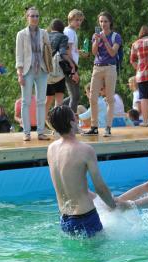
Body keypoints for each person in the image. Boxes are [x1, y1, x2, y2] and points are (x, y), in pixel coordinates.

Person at [47, 105, 118, 237]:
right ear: (71, 123)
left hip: (64, 219)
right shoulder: (85, 150)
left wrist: (96, 199)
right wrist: (113, 206)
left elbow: (71, 184)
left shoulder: (51, 149)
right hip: (86, 218)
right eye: (75, 118)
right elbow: (100, 187)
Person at [83, 11, 121, 137]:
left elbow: (112, 53)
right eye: (101, 21)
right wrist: (96, 40)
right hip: (97, 67)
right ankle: (94, 127)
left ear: (110, 22)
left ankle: (108, 127)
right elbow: (94, 52)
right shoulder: (96, 35)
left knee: (109, 99)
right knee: (92, 97)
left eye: (105, 21)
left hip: (110, 68)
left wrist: (105, 40)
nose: (103, 24)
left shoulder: (116, 36)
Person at [15, 6, 50, 141]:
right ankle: (27, 132)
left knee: (41, 101)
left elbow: (48, 52)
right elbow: (19, 56)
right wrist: (20, 73)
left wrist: (49, 68)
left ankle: (40, 132)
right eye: (32, 16)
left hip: (42, 70)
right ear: (27, 17)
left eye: (37, 16)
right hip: (27, 71)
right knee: (26, 102)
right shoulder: (21, 34)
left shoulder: (44, 33)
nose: (35, 18)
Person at [45, 19, 76, 123]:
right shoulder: (63, 37)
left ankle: (42, 124)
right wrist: (72, 64)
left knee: (47, 100)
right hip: (58, 73)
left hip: (46, 72)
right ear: (62, 28)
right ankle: (56, 124)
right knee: (59, 101)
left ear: (51, 28)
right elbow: (63, 53)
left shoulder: (45, 36)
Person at [63, 9, 84, 113]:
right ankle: (70, 122)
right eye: (77, 20)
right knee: (75, 97)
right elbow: (68, 53)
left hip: (70, 66)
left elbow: (71, 50)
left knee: (75, 96)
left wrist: (79, 52)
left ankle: (56, 111)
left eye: (80, 20)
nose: (79, 22)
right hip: (70, 67)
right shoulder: (70, 32)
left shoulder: (71, 32)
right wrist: (73, 70)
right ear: (70, 20)